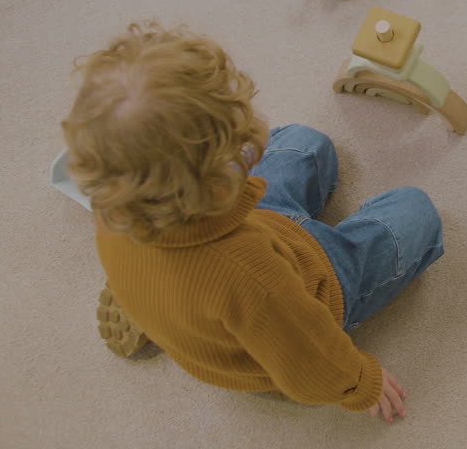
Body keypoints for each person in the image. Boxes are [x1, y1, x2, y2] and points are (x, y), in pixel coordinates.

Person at [63, 22, 443, 421]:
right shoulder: (251, 278)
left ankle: (150, 307)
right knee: (416, 211)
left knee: (307, 144)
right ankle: (169, 311)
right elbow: (307, 359)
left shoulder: (113, 211)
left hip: (240, 233)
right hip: (315, 281)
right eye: (240, 152)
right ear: (215, 180)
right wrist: (359, 382)